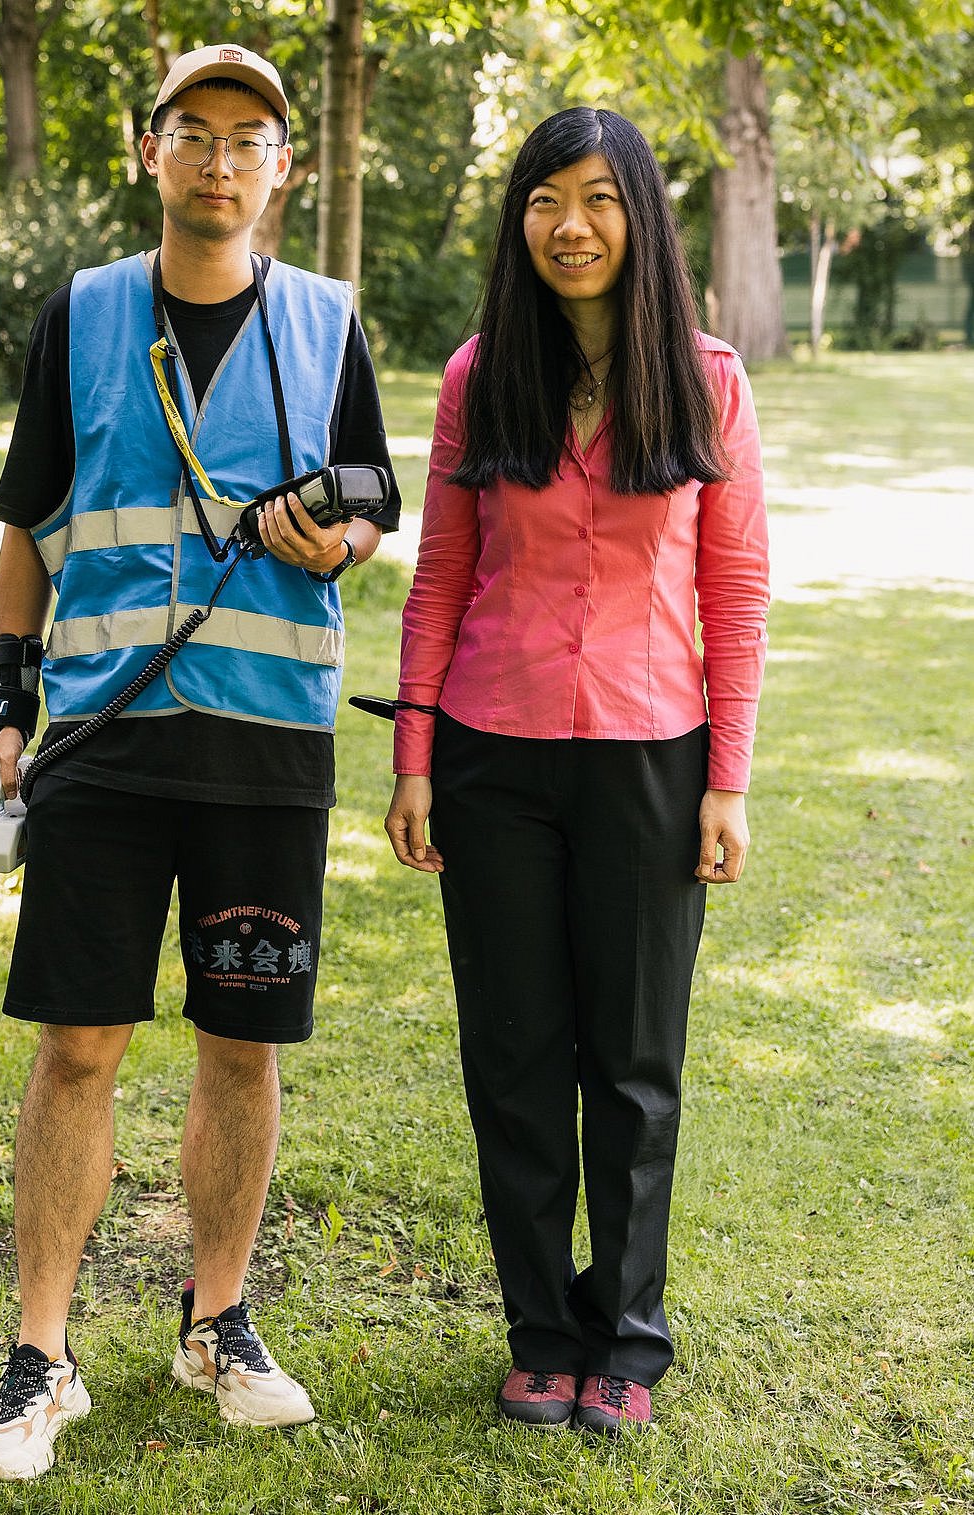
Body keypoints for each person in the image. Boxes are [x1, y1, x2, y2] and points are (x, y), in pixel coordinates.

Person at [0, 43, 400, 1481]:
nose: (220, 160)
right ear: (151, 154)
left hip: (266, 742)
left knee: (243, 1043)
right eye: (194, 134)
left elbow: (372, 504)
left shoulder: (329, 321)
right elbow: (28, 520)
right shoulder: (83, 313)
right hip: (102, 735)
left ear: (288, 168)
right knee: (79, 1043)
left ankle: (219, 1320)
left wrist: (332, 536)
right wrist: (10, 695)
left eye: (248, 139)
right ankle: (40, 1356)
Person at [384, 107, 769, 1436]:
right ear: (521, 221)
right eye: (548, 200)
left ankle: (632, 1335)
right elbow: (440, 576)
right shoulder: (478, 374)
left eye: (599, 199)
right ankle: (544, 1327)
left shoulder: (709, 378)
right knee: (513, 1057)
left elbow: (738, 589)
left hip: (652, 759)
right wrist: (416, 754)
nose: (572, 225)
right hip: (494, 758)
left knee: (636, 1063)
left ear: (640, 216)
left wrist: (728, 781)